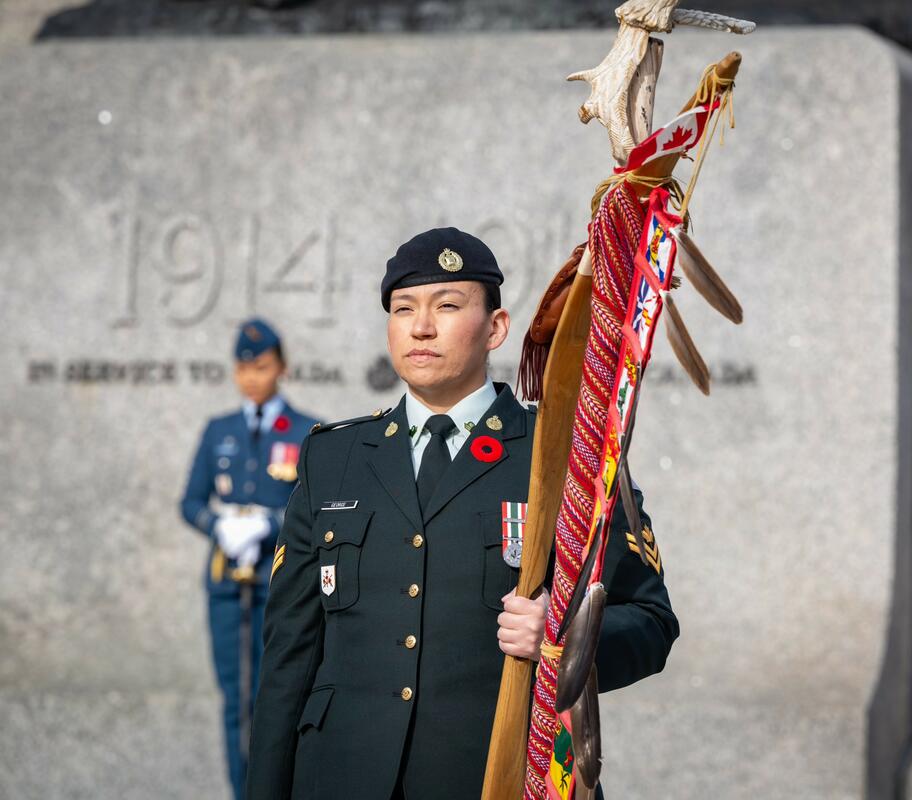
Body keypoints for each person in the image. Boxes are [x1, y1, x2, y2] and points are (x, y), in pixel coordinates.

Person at [247, 228, 677, 799]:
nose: (421, 326)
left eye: (447, 305)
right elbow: (289, 657)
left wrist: (565, 636)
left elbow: (651, 620)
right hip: (338, 777)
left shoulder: (564, 456)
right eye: (404, 309)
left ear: (495, 328)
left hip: (495, 778)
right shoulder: (334, 457)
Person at [180, 319, 320, 800]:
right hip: (226, 585)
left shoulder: (305, 431)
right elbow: (190, 502)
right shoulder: (219, 430)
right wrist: (218, 524)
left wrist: (271, 522)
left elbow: (314, 509)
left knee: (276, 697)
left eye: (260, 367)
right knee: (236, 699)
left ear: (280, 367)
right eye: (242, 368)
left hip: (278, 584)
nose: (251, 378)